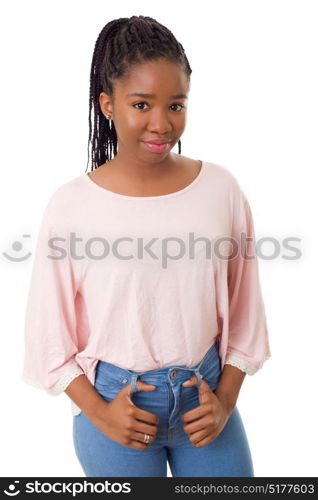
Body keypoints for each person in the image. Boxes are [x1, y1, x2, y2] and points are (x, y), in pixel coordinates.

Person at [21, 15, 271, 477]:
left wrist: (225, 401)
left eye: (176, 105)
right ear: (107, 104)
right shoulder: (71, 205)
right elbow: (47, 336)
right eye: (141, 104)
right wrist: (99, 412)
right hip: (118, 407)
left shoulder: (221, 189)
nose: (161, 124)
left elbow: (245, 310)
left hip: (206, 398)